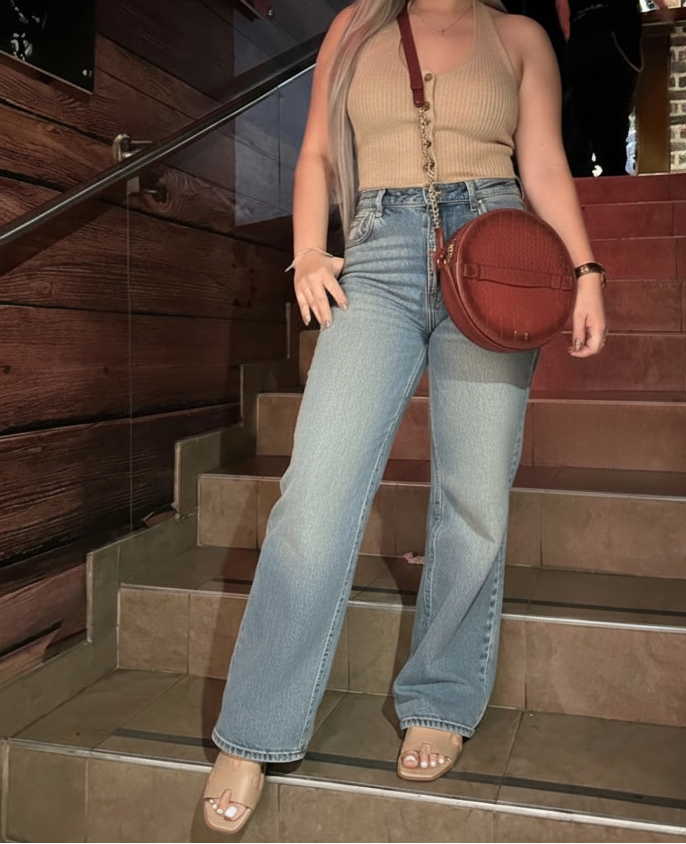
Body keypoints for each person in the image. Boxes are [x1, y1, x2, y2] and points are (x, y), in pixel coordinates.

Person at [202, 0, 607, 833]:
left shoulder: (519, 37)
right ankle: (257, 724)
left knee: (473, 499)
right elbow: (318, 151)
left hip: (495, 250)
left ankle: (442, 695)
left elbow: (542, 162)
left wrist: (585, 270)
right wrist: (307, 250)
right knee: (315, 496)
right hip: (378, 254)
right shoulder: (358, 25)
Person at [558, 0, 666, 176]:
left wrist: (571, 36)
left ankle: (585, 172)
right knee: (613, 110)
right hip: (615, 33)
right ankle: (611, 171)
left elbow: (561, 5)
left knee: (582, 113)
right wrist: (662, 7)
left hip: (582, 36)